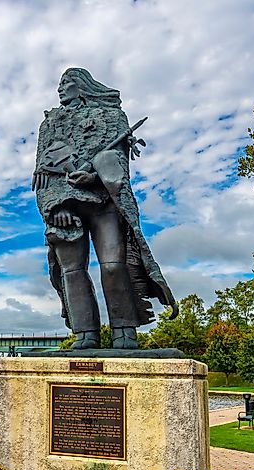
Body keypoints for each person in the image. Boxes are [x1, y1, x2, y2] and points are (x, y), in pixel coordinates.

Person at [33, 68, 177, 349]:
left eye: (67, 83)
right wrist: (55, 207)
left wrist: (96, 177)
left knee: (113, 266)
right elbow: (42, 174)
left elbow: (119, 161)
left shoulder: (112, 117)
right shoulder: (49, 125)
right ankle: (85, 333)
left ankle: (124, 330)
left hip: (103, 201)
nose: (60, 89)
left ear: (83, 86)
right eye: (59, 84)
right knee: (72, 271)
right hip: (64, 209)